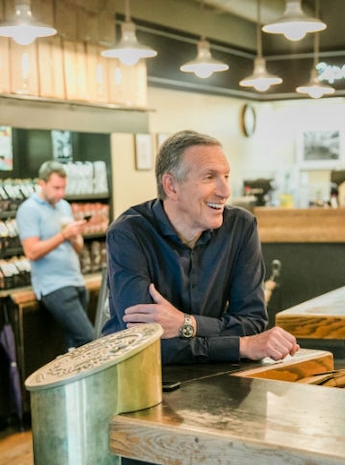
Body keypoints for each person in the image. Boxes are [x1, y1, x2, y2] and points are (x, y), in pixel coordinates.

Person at [102, 130, 300, 364]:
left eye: (226, 176)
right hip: (139, 380)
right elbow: (144, 343)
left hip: (219, 376)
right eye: (209, 177)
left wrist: (187, 325)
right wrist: (242, 346)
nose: (225, 191)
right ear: (171, 186)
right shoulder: (129, 233)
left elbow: (252, 322)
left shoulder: (240, 226)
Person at [17, 160, 95, 351]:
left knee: (74, 346)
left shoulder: (64, 206)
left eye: (63, 188)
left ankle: (72, 382)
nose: (61, 193)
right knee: (89, 338)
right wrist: (63, 235)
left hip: (76, 281)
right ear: (41, 183)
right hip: (55, 286)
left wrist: (75, 237)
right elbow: (32, 251)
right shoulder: (28, 210)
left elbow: (77, 248)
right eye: (56, 187)